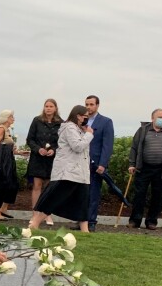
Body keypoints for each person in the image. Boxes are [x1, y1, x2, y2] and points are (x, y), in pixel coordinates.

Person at [29, 105, 93, 231]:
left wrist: (85, 132)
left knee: (82, 202)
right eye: (85, 116)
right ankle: (34, 224)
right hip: (68, 173)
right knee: (54, 199)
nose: (87, 119)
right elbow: (77, 146)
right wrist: (89, 135)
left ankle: (85, 231)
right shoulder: (69, 127)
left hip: (81, 174)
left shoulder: (79, 129)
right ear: (78, 116)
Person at [127, 108, 162, 230]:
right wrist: (132, 164)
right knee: (139, 195)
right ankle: (135, 220)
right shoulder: (142, 131)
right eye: (160, 117)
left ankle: (151, 222)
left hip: (161, 170)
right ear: (152, 118)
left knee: (158, 196)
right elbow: (134, 148)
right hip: (143, 168)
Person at [25, 99, 63, 226]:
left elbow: (62, 143)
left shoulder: (61, 123)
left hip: (52, 160)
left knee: (49, 188)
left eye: (51, 106)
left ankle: (47, 215)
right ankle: (35, 213)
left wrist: (54, 150)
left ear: (55, 108)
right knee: (37, 186)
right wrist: (38, 149)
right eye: (46, 106)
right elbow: (30, 139)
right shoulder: (37, 120)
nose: (48, 108)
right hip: (37, 159)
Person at [84, 95, 117, 231]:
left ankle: (91, 221)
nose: (89, 107)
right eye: (87, 104)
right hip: (81, 163)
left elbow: (107, 145)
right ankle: (81, 220)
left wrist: (103, 164)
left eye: (91, 104)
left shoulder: (105, 122)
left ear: (97, 105)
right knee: (82, 193)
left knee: (93, 194)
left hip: (96, 164)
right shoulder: (81, 121)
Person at [0, 109, 20, 220]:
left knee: (13, 185)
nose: (13, 119)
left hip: (9, 161)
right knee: (0, 185)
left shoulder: (7, 130)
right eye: (11, 117)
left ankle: (3, 209)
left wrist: (17, 152)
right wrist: (7, 148)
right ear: (6, 118)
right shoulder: (1, 129)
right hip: (2, 163)